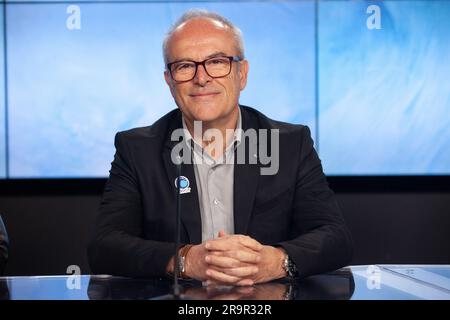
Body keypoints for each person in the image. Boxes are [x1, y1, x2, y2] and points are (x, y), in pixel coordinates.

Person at [88, 9, 353, 286]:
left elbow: (335, 238)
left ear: (242, 74)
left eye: (217, 62)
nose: (201, 78)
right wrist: (186, 261)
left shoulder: (289, 143)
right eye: (184, 66)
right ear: (169, 81)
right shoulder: (137, 149)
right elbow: (105, 247)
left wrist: (275, 261)